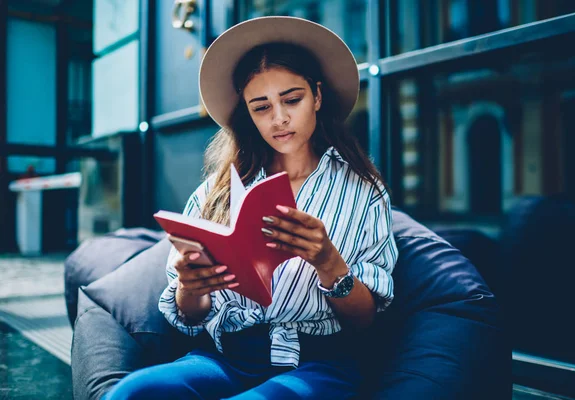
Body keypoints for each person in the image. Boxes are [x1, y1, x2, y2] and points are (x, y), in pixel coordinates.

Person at [104, 16, 399, 400]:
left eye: (292, 99)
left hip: (317, 363)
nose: (279, 118)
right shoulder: (217, 191)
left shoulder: (363, 191)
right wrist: (191, 288)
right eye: (261, 108)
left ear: (318, 96)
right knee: (132, 393)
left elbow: (366, 322)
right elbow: (189, 315)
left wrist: (329, 262)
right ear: (247, 113)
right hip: (226, 356)